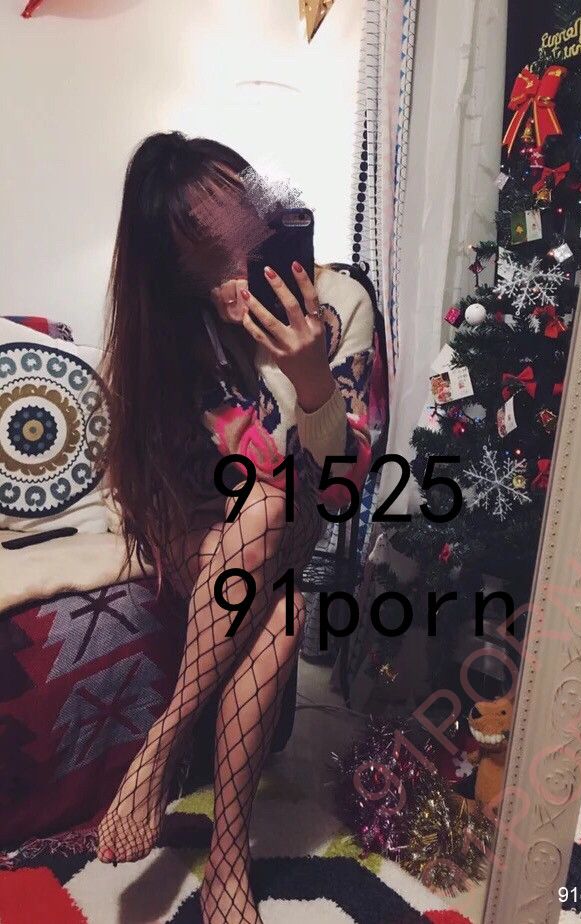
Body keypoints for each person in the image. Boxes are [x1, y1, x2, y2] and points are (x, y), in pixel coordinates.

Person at [97, 131, 374, 924]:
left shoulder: (339, 302)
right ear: (175, 265)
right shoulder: (172, 331)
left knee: (273, 526)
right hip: (195, 523)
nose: (238, 247)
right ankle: (226, 865)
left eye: (245, 216)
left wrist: (307, 379)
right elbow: (164, 477)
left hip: (282, 522)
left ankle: (165, 746)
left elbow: (340, 482)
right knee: (278, 596)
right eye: (206, 242)